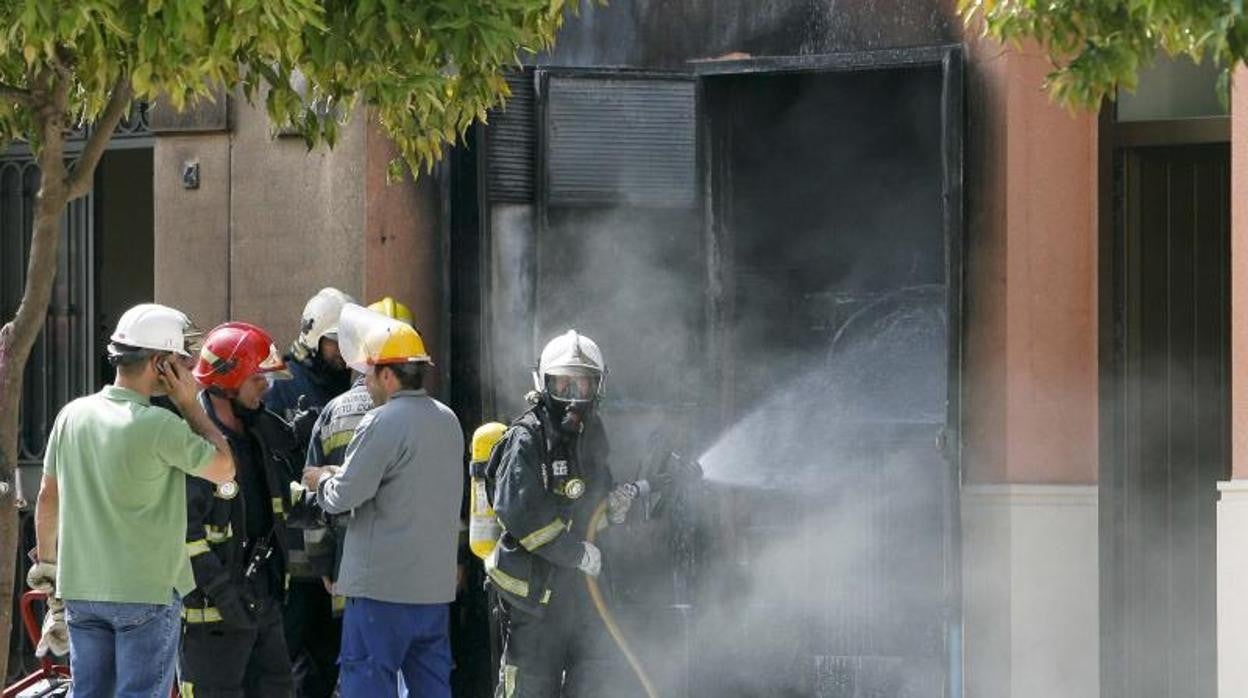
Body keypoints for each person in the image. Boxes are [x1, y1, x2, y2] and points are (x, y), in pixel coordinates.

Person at [29, 303, 236, 698]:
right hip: (147, 591)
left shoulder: (71, 416)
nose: (187, 366)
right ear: (160, 362)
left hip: (81, 589)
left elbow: (47, 497)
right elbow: (225, 469)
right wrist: (191, 406)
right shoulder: (162, 426)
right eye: (179, 358)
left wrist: (49, 568)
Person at [303, 304, 463, 698]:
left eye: (369, 372)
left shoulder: (383, 421)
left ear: (388, 375)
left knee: (368, 687)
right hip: (432, 593)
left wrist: (322, 479)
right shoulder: (448, 419)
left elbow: (344, 497)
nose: (365, 380)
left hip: (380, 594)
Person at [484, 330, 634, 698]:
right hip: (533, 597)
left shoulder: (592, 433)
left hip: (580, 595)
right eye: (563, 383)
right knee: (532, 687)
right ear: (543, 383)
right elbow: (523, 517)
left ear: (597, 386)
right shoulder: (527, 438)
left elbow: (591, 500)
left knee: (592, 683)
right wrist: (576, 553)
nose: (572, 395)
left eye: (582, 383)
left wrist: (611, 513)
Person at [293, 297, 416, 696]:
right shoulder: (435, 417)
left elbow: (314, 502)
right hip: (414, 576)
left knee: (358, 672)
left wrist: (323, 564)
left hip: (351, 571)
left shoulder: (333, 412)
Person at [179, 322, 303, 697]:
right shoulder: (191, 443)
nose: (267, 386)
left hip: (264, 602)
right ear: (227, 383)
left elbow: (282, 501)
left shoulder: (264, 432)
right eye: (256, 379)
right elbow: (185, 535)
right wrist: (226, 595)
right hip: (213, 619)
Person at [265, 287, 354, 698]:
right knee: (288, 657)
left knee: (325, 658)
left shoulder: (346, 388)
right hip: (293, 549)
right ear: (314, 336)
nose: (344, 351)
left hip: (334, 548)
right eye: (337, 341)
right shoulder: (279, 383)